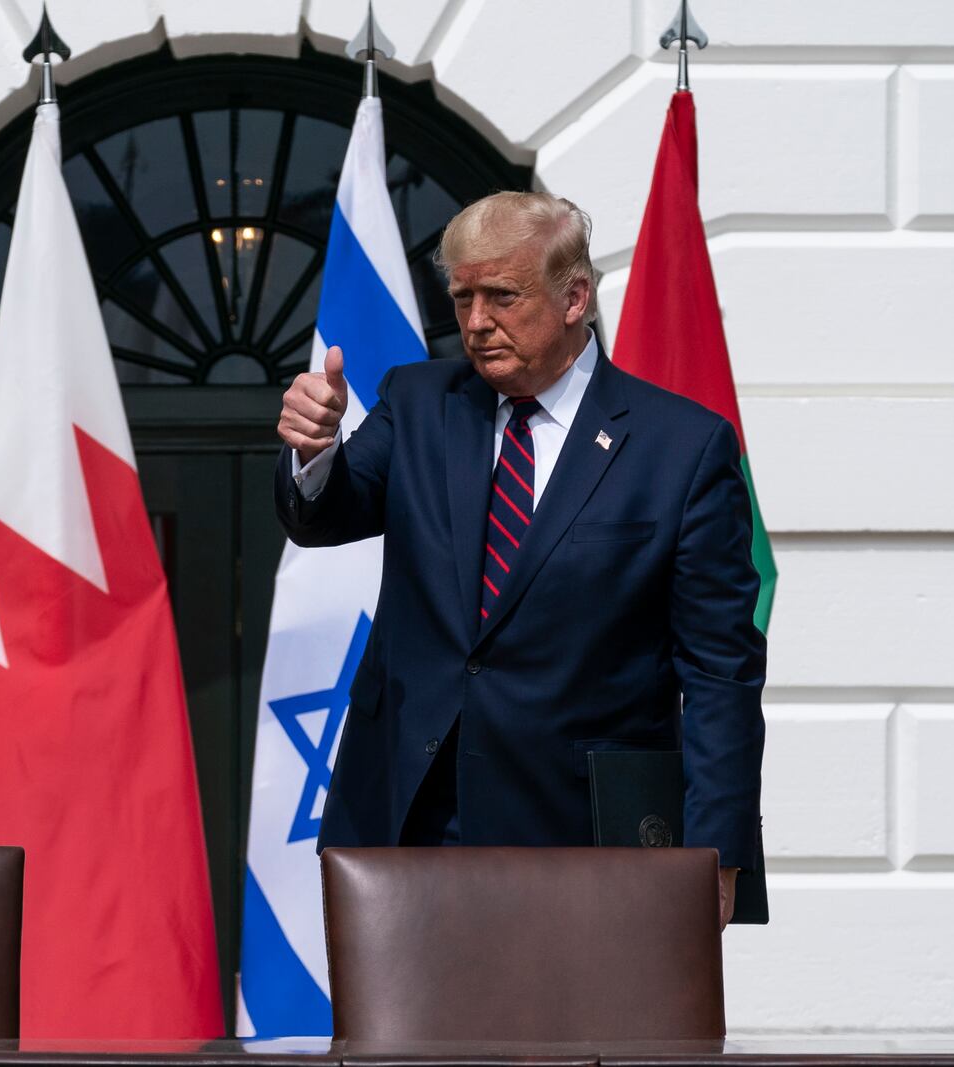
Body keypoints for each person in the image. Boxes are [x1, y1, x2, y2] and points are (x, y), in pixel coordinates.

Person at [275, 191, 764, 925]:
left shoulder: (683, 448)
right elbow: (328, 513)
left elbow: (720, 673)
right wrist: (312, 454)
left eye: (502, 296)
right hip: (408, 827)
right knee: (406, 1043)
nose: (475, 323)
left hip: (587, 838)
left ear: (574, 297)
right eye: (462, 296)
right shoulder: (418, 402)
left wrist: (716, 851)